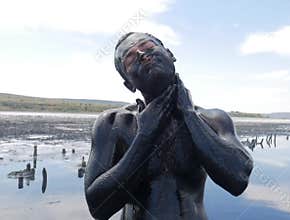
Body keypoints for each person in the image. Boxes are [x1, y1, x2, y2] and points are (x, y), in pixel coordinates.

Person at [84, 32, 253, 220]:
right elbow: (98, 208)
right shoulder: (113, 124)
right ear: (129, 84)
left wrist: (189, 115)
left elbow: (238, 180)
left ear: (170, 54)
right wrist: (145, 136)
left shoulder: (212, 119)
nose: (141, 54)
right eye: (130, 58)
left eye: (148, 47)